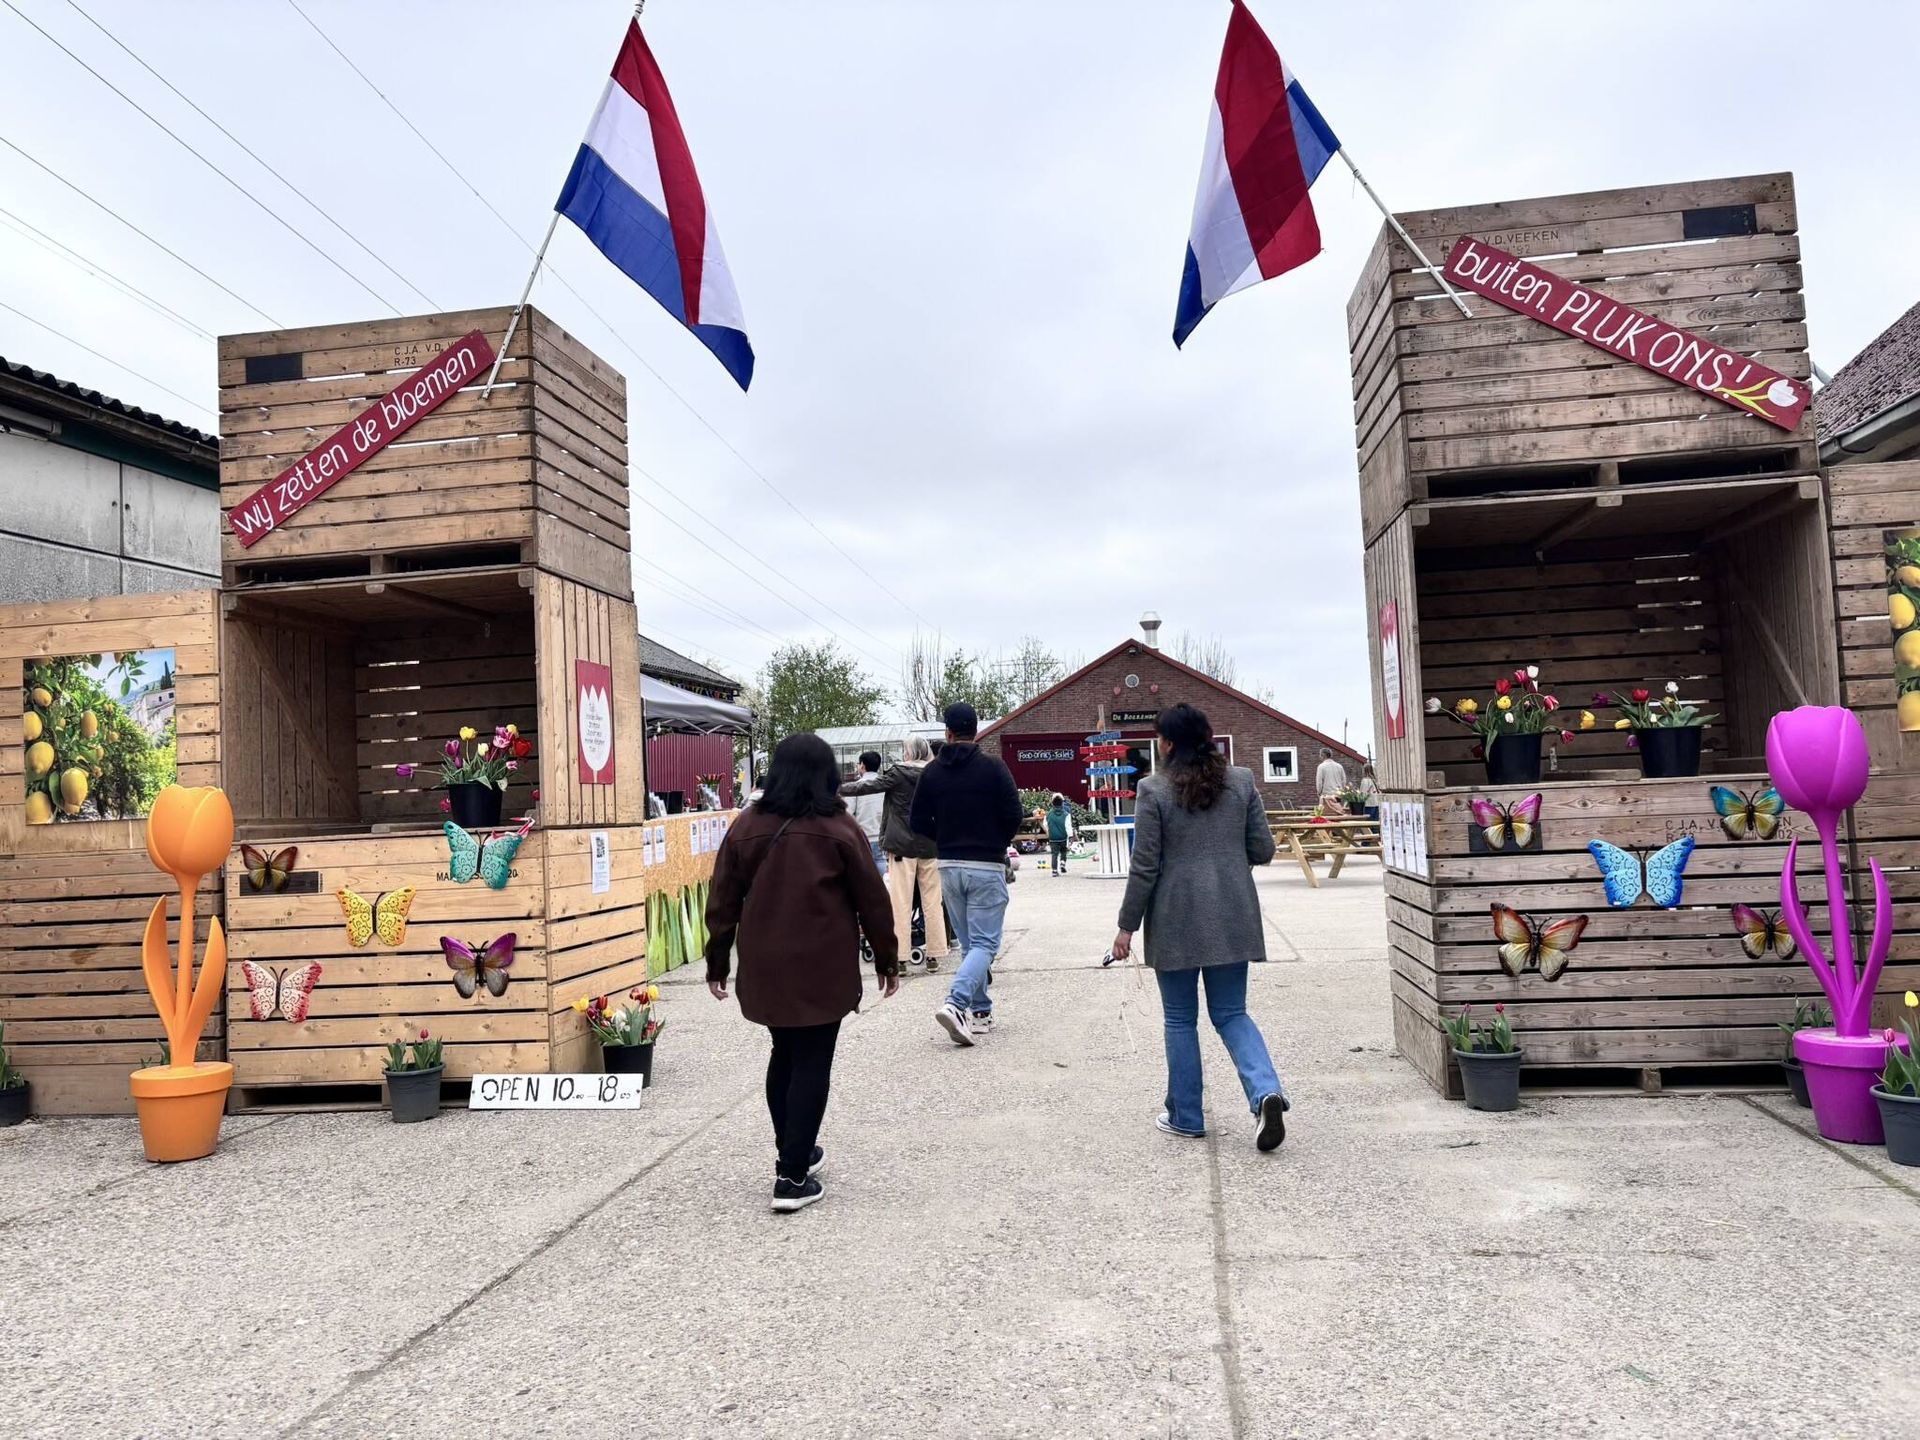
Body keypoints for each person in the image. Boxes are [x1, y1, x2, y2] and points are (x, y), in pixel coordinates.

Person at [704, 733, 900, 1213]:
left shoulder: (747, 825)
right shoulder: (840, 829)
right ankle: (792, 1176)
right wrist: (887, 958)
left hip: (765, 962)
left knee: (785, 1054)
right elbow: (873, 900)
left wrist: (717, 960)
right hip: (823, 963)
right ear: (826, 776)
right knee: (813, 1059)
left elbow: (723, 897)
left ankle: (793, 1148)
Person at [1112, 702, 1288, 1151]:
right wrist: (1226, 861)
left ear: (1167, 744)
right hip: (1233, 913)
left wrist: (1126, 927)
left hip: (1175, 918)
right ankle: (1265, 1090)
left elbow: (1144, 867)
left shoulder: (1152, 790)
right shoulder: (1243, 781)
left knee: (1179, 1020)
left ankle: (1186, 1116)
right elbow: (1264, 850)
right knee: (1232, 1013)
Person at [910, 701, 1023, 1046]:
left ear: (947, 733)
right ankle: (956, 1002)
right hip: (985, 864)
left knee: (970, 944)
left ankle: (981, 1012)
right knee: (986, 943)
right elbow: (1014, 814)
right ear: (976, 731)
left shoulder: (931, 773)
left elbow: (916, 822)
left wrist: (944, 839)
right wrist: (996, 843)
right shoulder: (993, 768)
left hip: (948, 865)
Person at [840, 736, 949, 972]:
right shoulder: (937, 774)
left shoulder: (898, 773)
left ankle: (901, 957)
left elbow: (866, 786)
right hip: (931, 844)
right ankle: (934, 954)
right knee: (932, 901)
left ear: (909, 752)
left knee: (901, 901)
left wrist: (836, 788)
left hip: (902, 845)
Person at [846, 750, 888, 873]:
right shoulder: (885, 785)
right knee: (881, 862)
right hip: (882, 835)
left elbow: (848, 812)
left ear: (862, 765)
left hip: (863, 835)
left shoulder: (856, 787)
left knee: (864, 868)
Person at [1045, 792, 1075, 877]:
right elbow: (1068, 827)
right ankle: (1062, 863)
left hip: (1053, 838)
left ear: (1052, 803)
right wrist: (1071, 836)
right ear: (1062, 803)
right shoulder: (1066, 815)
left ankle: (1054, 871)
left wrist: (1049, 830)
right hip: (1063, 837)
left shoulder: (1048, 814)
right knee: (1063, 851)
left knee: (1054, 854)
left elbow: (1045, 824)